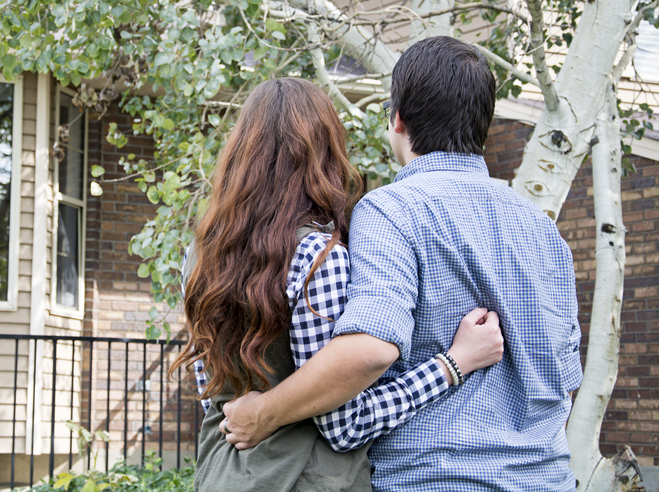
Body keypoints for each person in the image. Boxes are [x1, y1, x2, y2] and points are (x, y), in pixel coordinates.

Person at [221, 37, 583, 491]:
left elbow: (370, 350)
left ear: (397, 120)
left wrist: (264, 412)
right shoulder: (544, 230)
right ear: (482, 125)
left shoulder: (390, 211)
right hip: (547, 479)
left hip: (432, 478)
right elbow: (565, 381)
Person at [172, 76, 504, 492]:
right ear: (326, 153)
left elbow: (210, 398)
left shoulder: (199, 255)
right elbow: (345, 425)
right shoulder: (317, 257)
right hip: (302, 479)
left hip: (220, 476)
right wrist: (453, 364)